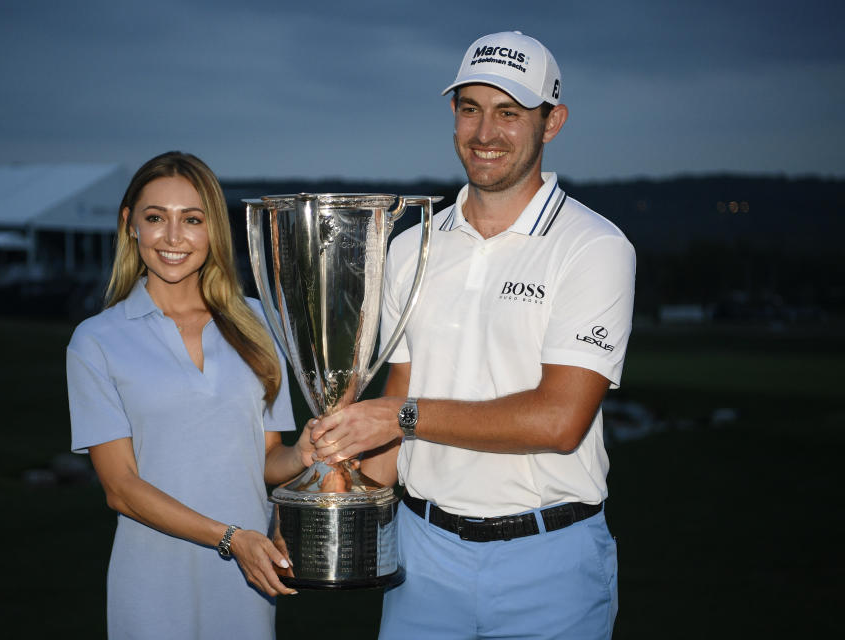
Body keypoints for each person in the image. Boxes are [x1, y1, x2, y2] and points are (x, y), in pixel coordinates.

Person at [309, 31, 636, 639]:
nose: (485, 133)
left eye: (509, 113)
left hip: (550, 559)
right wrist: (331, 464)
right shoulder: (410, 248)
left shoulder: (594, 247)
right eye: (470, 109)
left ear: (552, 121)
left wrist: (397, 417)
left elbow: (559, 422)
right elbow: (394, 434)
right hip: (422, 556)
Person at [66, 151, 314, 639]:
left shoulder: (260, 322)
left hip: (248, 580)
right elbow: (121, 488)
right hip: (153, 584)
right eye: (156, 218)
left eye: (192, 219)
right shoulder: (96, 341)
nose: (174, 238)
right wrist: (229, 538)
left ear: (213, 229)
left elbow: (265, 460)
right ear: (129, 225)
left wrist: (303, 453)